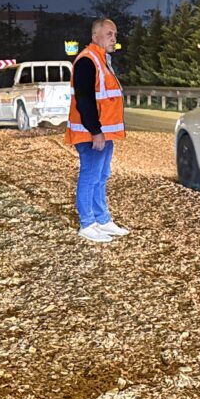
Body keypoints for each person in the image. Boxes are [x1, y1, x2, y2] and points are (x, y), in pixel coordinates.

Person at [65, 18, 130, 243]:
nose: (114, 38)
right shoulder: (87, 61)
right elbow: (85, 99)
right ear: (95, 36)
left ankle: (102, 220)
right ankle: (87, 223)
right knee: (90, 176)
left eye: (115, 35)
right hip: (91, 134)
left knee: (101, 176)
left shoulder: (102, 60)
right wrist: (95, 131)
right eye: (109, 34)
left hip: (103, 133)